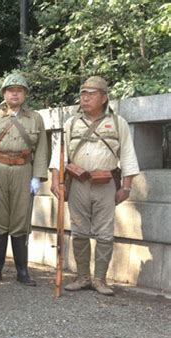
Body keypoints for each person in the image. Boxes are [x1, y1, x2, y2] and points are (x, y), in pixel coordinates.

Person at [49, 76, 139, 296]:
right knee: (79, 231)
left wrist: (126, 187)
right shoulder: (71, 123)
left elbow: (127, 155)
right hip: (77, 182)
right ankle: (82, 277)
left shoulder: (118, 123)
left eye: (91, 93)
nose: (85, 98)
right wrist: (55, 181)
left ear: (104, 98)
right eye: (82, 93)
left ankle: (100, 279)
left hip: (106, 183)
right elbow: (59, 156)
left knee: (105, 233)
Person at [0, 71, 48, 286]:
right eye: (10, 90)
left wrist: (37, 176)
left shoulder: (35, 118)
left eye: (19, 90)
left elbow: (42, 148)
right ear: (4, 94)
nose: (15, 94)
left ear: (25, 94)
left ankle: (22, 271)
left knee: (20, 219)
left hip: (23, 169)